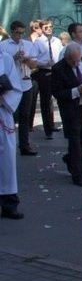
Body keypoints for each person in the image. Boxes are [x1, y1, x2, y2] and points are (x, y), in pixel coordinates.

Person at [51, 42, 82, 188]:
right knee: (75, 142)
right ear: (66, 58)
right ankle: (78, 176)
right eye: (72, 61)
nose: (76, 63)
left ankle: (71, 159)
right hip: (72, 110)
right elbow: (57, 93)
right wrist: (76, 90)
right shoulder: (58, 69)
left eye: (78, 60)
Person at [0, 21, 38, 155]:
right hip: (10, 86)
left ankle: (24, 145)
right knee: (10, 115)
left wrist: (27, 61)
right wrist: (13, 57)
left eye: (22, 33)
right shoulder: (3, 46)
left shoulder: (28, 45)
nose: (20, 36)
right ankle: (7, 142)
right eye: (17, 33)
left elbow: (34, 65)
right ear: (12, 32)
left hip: (25, 83)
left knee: (25, 116)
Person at [0, 50, 24, 219]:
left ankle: (9, 203)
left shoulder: (5, 58)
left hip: (2, 112)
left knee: (6, 161)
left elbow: (15, 87)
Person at [30, 19, 62, 138]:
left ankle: (53, 124)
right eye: (46, 28)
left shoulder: (57, 41)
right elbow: (33, 60)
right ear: (41, 29)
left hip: (57, 71)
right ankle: (48, 129)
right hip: (45, 71)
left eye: (50, 27)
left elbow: (61, 55)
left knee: (60, 98)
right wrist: (45, 63)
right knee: (46, 100)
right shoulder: (38, 43)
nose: (49, 29)